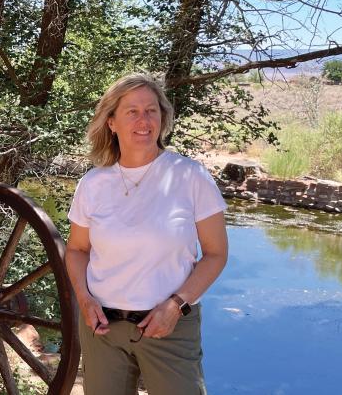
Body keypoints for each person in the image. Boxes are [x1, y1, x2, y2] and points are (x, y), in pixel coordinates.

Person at [65, 73, 229, 394]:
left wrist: (176, 305)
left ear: (162, 118)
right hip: (103, 333)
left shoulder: (190, 176)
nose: (144, 120)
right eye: (132, 111)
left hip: (169, 328)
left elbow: (216, 254)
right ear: (111, 122)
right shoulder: (93, 184)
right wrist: (85, 300)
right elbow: (77, 250)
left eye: (151, 110)